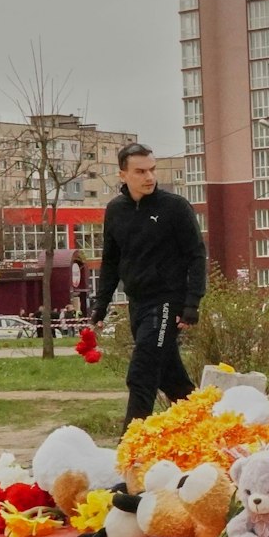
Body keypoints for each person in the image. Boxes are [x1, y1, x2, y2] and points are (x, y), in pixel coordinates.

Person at [89, 143, 208, 427]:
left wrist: (192, 302)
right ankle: (210, 430)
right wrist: (100, 304)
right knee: (173, 380)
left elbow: (197, 255)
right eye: (140, 171)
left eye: (152, 170)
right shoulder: (116, 210)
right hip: (138, 304)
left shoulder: (175, 207)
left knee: (142, 372)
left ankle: (130, 447)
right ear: (122, 175)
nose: (149, 177)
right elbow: (110, 261)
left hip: (168, 302)